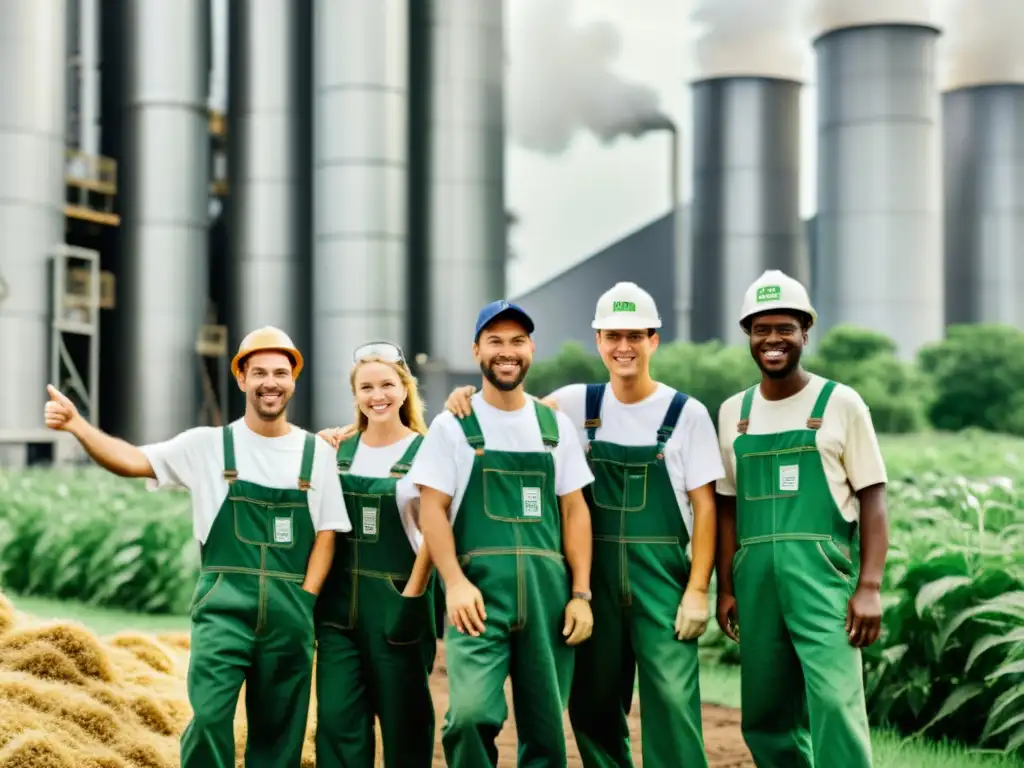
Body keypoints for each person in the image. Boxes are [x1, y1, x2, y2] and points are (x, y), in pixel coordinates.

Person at [43, 326, 351, 768]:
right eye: (259, 372)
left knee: (281, 731)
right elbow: (132, 460)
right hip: (223, 609)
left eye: (280, 373)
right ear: (241, 378)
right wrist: (77, 425)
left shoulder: (314, 453)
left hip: (290, 613)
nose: (271, 382)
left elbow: (327, 534)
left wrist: (306, 599)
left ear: (293, 380)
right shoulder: (207, 445)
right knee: (208, 719)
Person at [445, 282, 722, 767]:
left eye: (635, 336)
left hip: (662, 584)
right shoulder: (574, 404)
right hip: (593, 582)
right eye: (612, 336)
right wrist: (464, 395)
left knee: (674, 703)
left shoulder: (687, 414)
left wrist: (699, 589)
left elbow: (706, 508)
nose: (623, 347)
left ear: (653, 339)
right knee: (593, 709)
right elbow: (511, 411)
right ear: (598, 341)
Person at [407, 300, 595, 766]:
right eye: (495, 341)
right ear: (477, 351)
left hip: (548, 597)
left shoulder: (555, 427)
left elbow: (575, 512)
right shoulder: (453, 425)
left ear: (531, 348)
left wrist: (581, 594)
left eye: (517, 341)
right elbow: (433, 510)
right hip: (477, 599)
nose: (506, 351)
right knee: (469, 717)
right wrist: (453, 582)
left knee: (547, 731)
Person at [715, 270, 888, 767]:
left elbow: (873, 497)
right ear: (748, 334)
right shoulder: (733, 412)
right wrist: (726, 587)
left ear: (804, 332)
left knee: (835, 701)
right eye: (761, 329)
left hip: (822, 576)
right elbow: (727, 505)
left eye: (784, 328)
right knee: (767, 714)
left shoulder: (840, 403)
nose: (773, 340)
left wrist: (870, 585)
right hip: (756, 583)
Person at [313, 340, 437, 767]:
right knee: (335, 721)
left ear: (404, 390)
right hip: (337, 613)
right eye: (366, 387)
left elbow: (436, 536)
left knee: (406, 728)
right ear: (356, 395)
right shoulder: (334, 450)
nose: (377, 395)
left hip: (397, 607)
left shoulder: (428, 452)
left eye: (387, 385)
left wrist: (411, 601)